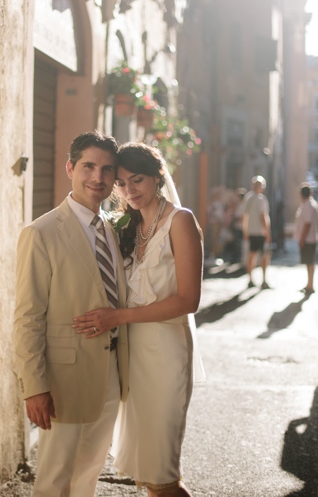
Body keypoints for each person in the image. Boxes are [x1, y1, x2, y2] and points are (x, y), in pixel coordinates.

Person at [73, 142, 202, 497]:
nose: (130, 190)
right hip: (131, 357)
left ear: (158, 178)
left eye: (138, 180)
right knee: (146, 473)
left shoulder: (181, 221)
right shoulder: (126, 226)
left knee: (162, 474)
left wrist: (118, 316)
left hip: (165, 354)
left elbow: (188, 300)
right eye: (123, 183)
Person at [13, 131, 129, 497]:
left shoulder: (109, 229)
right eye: (88, 166)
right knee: (55, 476)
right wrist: (35, 387)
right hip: (63, 376)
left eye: (107, 170)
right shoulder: (41, 232)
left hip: (111, 371)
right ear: (70, 168)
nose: (98, 177)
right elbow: (28, 316)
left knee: (89, 471)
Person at [242, 175, 271, 288]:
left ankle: (250, 279)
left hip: (251, 231)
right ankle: (263, 280)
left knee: (251, 255)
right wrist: (267, 232)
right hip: (260, 232)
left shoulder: (248, 198)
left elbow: (244, 216)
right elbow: (263, 216)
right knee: (264, 256)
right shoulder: (261, 199)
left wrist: (245, 231)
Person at [294, 184, 318, 294]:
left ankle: (310, 285)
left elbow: (307, 224)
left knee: (310, 262)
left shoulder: (309, 205)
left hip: (309, 239)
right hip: (309, 238)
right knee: (309, 262)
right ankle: (309, 284)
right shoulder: (308, 204)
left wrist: (302, 239)